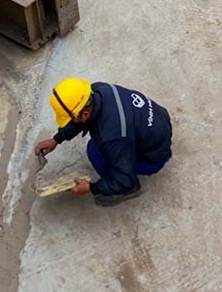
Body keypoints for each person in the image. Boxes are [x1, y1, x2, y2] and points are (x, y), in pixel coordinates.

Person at [33, 78, 173, 207]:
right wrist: (56, 139)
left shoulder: (112, 136)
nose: (69, 122)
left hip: (154, 158)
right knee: (104, 144)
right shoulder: (98, 90)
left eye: (70, 119)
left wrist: (92, 188)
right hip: (159, 123)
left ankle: (131, 189)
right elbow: (80, 118)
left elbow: (124, 178)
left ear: (85, 114)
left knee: (95, 151)